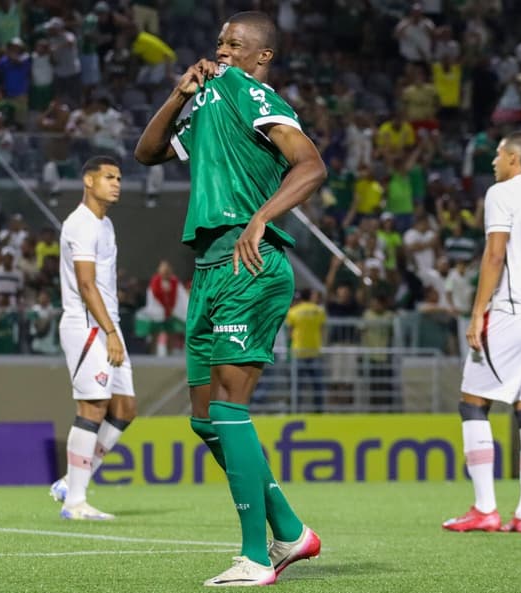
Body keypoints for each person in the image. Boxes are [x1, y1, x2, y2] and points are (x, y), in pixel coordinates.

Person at [134, 11, 323, 586]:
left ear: (262, 55)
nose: (222, 50)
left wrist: (262, 217)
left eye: (235, 43)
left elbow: (311, 165)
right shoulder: (207, 104)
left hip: (249, 264)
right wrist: (179, 93)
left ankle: (256, 557)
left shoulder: (254, 94)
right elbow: (147, 152)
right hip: (209, 268)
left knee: (228, 410)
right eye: (219, 41)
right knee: (204, 420)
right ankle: (290, 530)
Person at [442, 132, 521, 535]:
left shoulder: (502, 192)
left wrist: (478, 312)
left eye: (497, 154)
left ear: (513, 158)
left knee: (473, 402)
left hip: (514, 310)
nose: (493, 161)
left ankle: (485, 509)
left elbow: (495, 254)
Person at [48, 156, 136, 521]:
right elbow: (86, 285)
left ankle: (71, 481)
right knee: (93, 407)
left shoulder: (106, 224)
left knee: (125, 409)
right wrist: (110, 332)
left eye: (119, 178)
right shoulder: (80, 224)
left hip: (107, 325)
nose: (116, 183)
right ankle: (75, 502)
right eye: (108, 177)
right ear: (88, 180)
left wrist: (112, 328)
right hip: (87, 327)